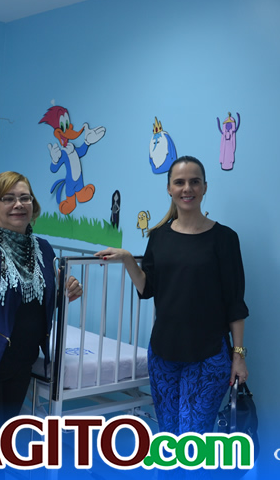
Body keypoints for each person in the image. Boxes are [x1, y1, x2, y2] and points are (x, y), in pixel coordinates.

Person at [95, 155, 249, 434]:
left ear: (204, 187)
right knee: (167, 435)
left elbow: (235, 303)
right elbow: (147, 289)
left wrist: (238, 355)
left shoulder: (225, 238)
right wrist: (128, 258)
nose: (187, 188)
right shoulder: (158, 236)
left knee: (192, 439)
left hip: (208, 356)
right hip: (163, 354)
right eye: (179, 182)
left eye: (194, 182)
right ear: (169, 188)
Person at [0, 171, 83, 432]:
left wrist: (66, 292)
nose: (18, 205)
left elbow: (36, 302)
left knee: (4, 438)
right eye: (8, 199)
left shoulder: (43, 249)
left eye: (24, 198)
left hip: (22, 363)